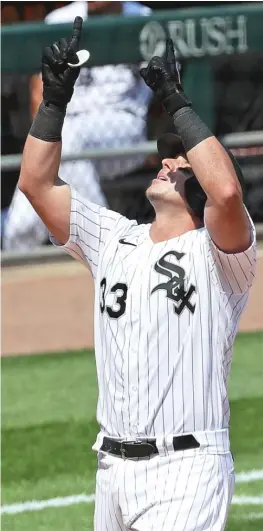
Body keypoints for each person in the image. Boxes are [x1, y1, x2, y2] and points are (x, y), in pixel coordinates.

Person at [18, 18, 256, 531]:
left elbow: (229, 193)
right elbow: (36, 184)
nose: (169, 162)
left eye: (182, 163)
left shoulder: (222, 257)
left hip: (186, 470)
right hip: (111, 474)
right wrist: (55, 100)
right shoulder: (112, 238)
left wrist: (175, 98)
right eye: (168, 155)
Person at [3, 1, 152, 251]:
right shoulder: (60, 19)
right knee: (19, 231)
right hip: (67, 131)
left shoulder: (144, 18)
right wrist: (43, 134)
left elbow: (163, 90)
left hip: (124, 128)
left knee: (63, 140)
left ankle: (111, 248)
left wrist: (159, 143)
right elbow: (39, 89)